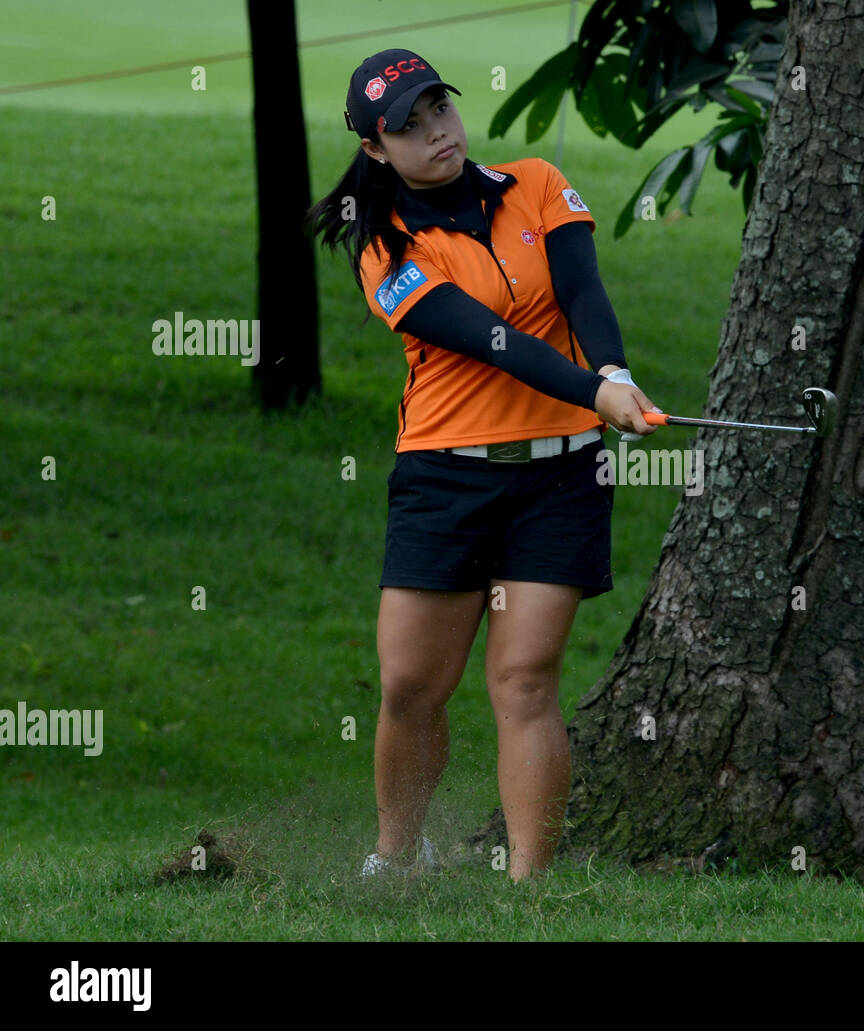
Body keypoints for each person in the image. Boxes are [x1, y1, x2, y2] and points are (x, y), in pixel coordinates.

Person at [305, 48, 660, 882]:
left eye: (440, 110)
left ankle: (528, 889)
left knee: (526, 680)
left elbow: (583, 293)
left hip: (560, 475)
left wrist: (611, 376)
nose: (437, 132)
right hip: (445, 478)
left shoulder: (536, 181)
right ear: (375, 150)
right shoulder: (384, 249)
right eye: (409, 127)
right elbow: (492, 342)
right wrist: (591, 389)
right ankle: (396, 856)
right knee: (412, 686)